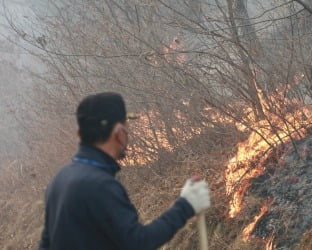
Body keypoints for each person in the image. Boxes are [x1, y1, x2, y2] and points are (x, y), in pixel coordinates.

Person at [39, 92, 211, 250]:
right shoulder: (100, 186)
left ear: (80, 133)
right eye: (126, 128)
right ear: (120, 133)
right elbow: (138, 242)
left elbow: (46, 245)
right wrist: (186, 206)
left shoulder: (60, 179)